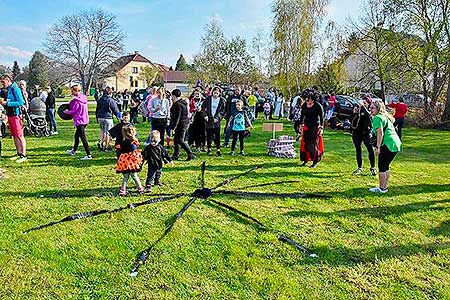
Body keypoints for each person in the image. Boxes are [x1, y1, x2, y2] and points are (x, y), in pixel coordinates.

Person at [369, 99, 402, 193]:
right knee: (386, 166)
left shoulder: (377, 118)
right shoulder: (385, 117)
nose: (370, 109)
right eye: (370, 107)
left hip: (388, 144)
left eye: (373, 108)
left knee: (382, 166)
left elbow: (380, 133)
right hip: (395, 144)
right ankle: (384, 187)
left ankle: (381, 188)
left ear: (378, 109)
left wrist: (378, 147)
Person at [0, 74, 27, 163]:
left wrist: (7, 104)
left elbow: (20, 102)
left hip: (16, 115)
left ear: (8, 81)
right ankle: (18, 153)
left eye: (3, 82)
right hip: (10, 115)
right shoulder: (8, 90)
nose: (2, 84)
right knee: (14, 135)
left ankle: (23, 155)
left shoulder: (16, 89)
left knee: (19, 135)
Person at [64, 84, 92, 160]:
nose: (71, 92)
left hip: (80, 121)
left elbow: (73, 111)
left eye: (72, 90)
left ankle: (88, 155)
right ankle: (73, 151)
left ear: (75, 90)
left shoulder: (76, 100)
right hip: (85, 120)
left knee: (83, 138)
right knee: (76, 136)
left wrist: (66, 112)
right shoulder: (84, 97)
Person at [115, 124, 144, 196]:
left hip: (124, 163)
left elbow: (120, 150)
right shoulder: (133, 143)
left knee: (125, 177)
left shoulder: (122, 143)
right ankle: (140, 188)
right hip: (131, 164)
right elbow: (134, 153)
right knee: (134, 176)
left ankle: (122, 190)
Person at [299, 89, 324, 168]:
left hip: (315, 126)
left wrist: (321, 127)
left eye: (308, 98)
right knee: (305, 143)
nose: (307, 100)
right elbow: (302, 116)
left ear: (313, 99)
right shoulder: (304, 105)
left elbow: (321, 117)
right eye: (306, 98)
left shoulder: (317, 106)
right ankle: (305, 160)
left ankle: (315, 162)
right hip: (306, 126)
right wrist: (301, 125)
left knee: (313, 145)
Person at [351, 97, 376, 175]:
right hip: (357, 132)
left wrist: (363, 107)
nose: (362, 105)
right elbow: (352, 121)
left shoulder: (370, 111)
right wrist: (355, 113)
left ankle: (373, 167)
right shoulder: (358, 110)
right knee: (358, 149)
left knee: (370, 149)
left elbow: (369, 117)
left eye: (365, 103)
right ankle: (359, 167)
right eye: (363, 103)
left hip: (366, 132)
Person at [170, 89, 195, 161]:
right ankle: (175, 155)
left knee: (180, 140)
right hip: (183, 123)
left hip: (181, 124)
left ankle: (190, 154)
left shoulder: (178, 104)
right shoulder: (182, 103)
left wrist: (173, 127)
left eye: (172, 96)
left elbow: (177, 117)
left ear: (174, 96)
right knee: (176, 140)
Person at [96, 87, 122, 151]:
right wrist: (119, 118)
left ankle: (100, 142)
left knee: (102, 130)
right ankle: (107, 146)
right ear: (110, 93)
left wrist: (97, 117)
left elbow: (97, 109)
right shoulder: (111, 100)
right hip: (108, 117)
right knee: (108, 132)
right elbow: (115, 110)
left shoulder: (100, 99)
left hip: (100, 117)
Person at [202, 86, 225, 156]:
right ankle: (209, 149)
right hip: (209, 120)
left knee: (217, 136)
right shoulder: (208, 99)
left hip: (216, 120)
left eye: (217, 93)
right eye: (214, 92)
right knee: (209, 135)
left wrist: (217, 117)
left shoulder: (222, 100)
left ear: (219, 93)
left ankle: (218, 149)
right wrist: (205, 116)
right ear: (212, 92)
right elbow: (203, 108)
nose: (215, 94)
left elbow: (223, 111)